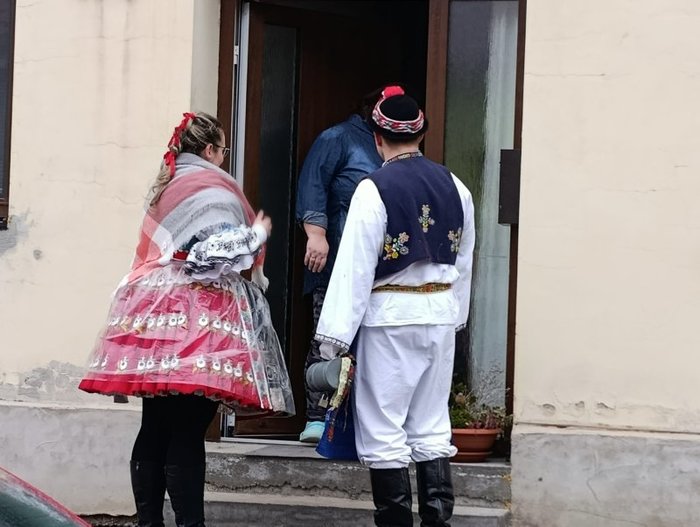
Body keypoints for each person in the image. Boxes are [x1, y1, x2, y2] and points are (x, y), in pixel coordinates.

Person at [79, 112, 294, 527]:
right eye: (223, 150)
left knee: (155, 424)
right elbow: (207, 256)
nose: (223, 158)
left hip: (151, 314)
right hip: (199, 318)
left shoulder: (168, 184)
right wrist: (257, 233)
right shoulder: (212, 186)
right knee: (188, 428)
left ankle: (148, 523)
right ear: (210, 150)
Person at [314, 86, 475, 527]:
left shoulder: (373, 188)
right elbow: (464, 261)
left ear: (377, 138)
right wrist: (455, 317)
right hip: (438, 316)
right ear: (421, 134)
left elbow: (355, 267)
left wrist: (333, 340)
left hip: (389, 320)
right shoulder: (457, 187)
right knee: (431, 423)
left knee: (383, 428)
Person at [295, 88, 384, 443]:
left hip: (380, 266)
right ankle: (317, 416)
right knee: (328, 336)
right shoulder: (338, 138)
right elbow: (313, 184)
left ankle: (362, 422)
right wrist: (315, 233)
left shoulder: (395, 149)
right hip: (337, 261)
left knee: (374, 344)